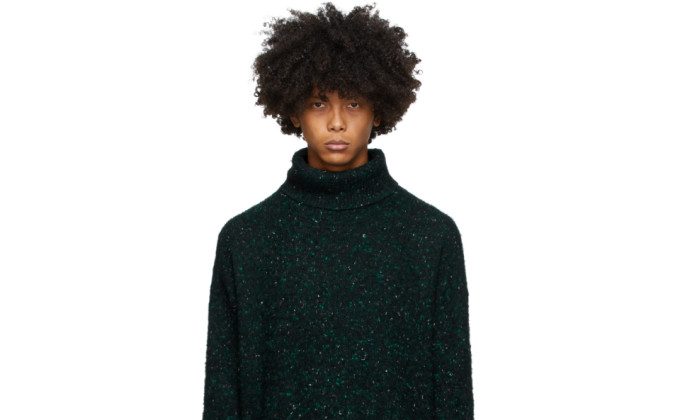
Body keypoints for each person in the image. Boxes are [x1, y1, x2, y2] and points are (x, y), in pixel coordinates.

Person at [202, 2, 474, 418]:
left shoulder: (430, 236)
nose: (336, 122)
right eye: (317, 103)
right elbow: (223, 396)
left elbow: (453, 394)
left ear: (378, 110)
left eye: (353, 103)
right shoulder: (246, 240)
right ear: (293, 110)